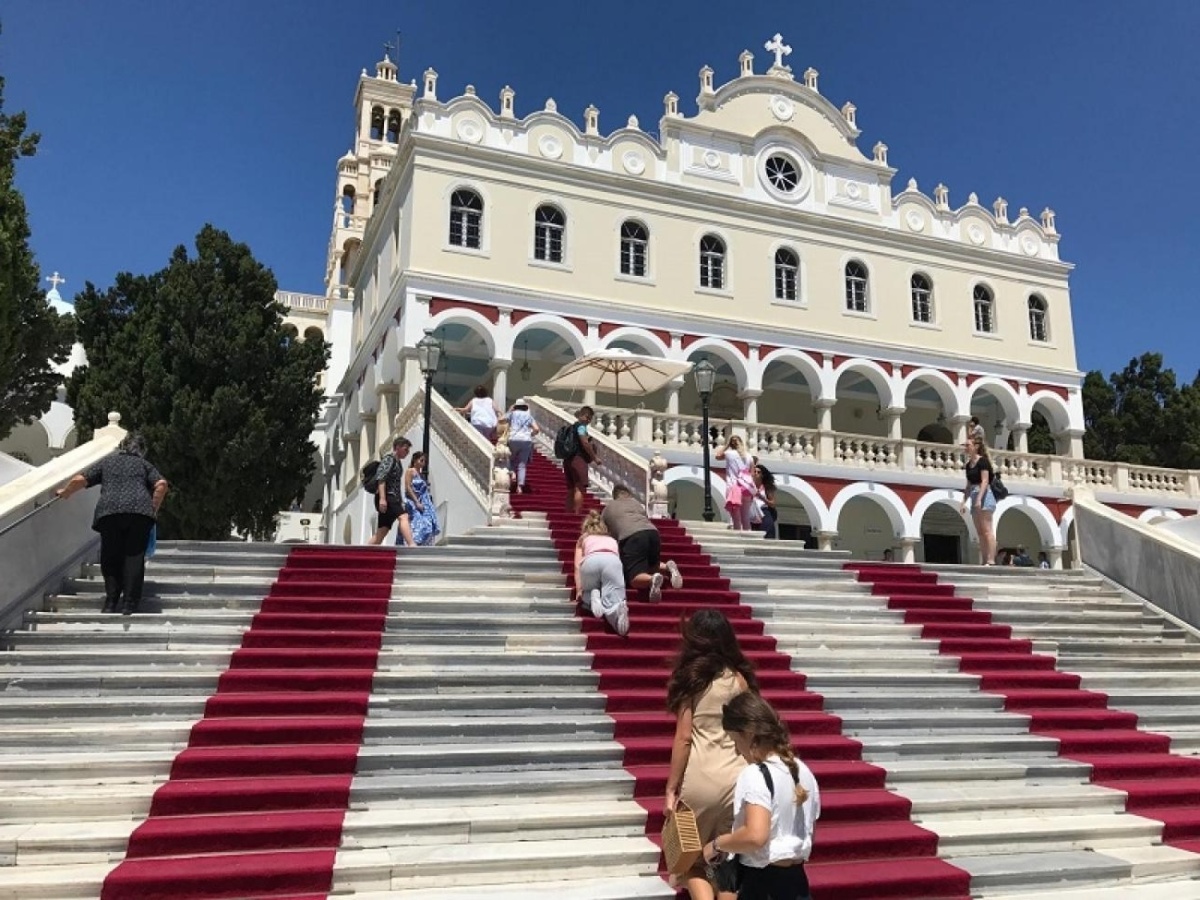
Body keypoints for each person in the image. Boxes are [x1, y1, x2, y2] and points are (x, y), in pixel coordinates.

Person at [665, 610, 758, 900]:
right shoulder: (740, 680)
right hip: (736, 779)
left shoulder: (692, 680)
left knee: (691, 861)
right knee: (725, 862)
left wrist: (670, 787)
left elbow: (683, 738)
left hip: (700, 779)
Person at [703, 692, 821, 900]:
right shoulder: (804, 771)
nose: (738, 751)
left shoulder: (756, 774)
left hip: (764, 884)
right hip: (797, 882)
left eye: (734, 741)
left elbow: (755, 836)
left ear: (747, 735)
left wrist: (717, 845)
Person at [56, 432, 168, 615]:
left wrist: (66, 492)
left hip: (109, 512)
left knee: (110, 557)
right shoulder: (144, 465)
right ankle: (129, 604)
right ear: (142, 451)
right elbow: (161, 484)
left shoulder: (107, 462)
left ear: (122, 446)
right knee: (134, 557)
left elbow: (80, 480)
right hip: (139, 513)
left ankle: (110, 602)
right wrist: (153, 508)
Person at [601, 484, 683, 602]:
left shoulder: (608, 509)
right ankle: (667, 568)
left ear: (615, 496)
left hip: (632, 536)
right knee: (651, 565)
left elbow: (603, 532)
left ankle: (651, 580)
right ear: (628, 494)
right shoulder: (637, 505)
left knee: (634, 578)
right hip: (653, 532)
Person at [572, 510, 629, 636]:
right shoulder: (611, 539)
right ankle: (616, 612)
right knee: (614, 596)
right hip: (612, 561)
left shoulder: (583, 539)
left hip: (591, 560)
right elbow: (617, 560)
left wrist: (579, 590)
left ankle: (591, 596)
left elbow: (577, 565)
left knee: (588, 591)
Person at [369, 437, 415, 546]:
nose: (407, 453)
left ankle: (364, 552)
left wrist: (400, 501)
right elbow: (381, 478)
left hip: (392, 497)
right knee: (404, 517)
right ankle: (411, 544)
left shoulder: (398, 463)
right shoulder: (389, 459)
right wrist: (382, 499)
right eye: (405, 449)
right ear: (397, 447)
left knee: (382, 531)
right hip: (388, 496)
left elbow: (396, 485)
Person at [959, 435, 997, 565]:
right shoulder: (969, 465)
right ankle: (984, 559)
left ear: (976, 447)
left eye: (968, 445)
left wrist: (979, 499)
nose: (966, 448)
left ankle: (991, 560)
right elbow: (969, 485)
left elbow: (985, 481)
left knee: (987, 530)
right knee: (980, 532)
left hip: (985, 495)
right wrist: (964, 501)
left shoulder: (983, 462)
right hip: (974, 494)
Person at [402, 450, 440, 547]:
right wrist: (416, 502)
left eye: (424, 461)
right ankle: (413, 543)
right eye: (421, 460)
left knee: (428, 525)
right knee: (418, 524)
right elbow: (408, 487)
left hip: (425, 503)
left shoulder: (421, 475)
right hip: (414, 502)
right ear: (415, 460)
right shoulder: (410, 471)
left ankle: (422, 545)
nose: (423, 463)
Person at [564, 405, 597, 514]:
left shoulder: (571, 428)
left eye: (589, 419)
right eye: (587, 417)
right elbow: (585, 443)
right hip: (578, 459)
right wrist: (595, 457)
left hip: (568, 459)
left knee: (571, 489)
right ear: (581, 415)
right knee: (579, 488)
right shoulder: (581, 427)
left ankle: (568, 513)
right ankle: (577, 513)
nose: (588, 420)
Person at [505, 398, 540, 494]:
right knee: (522, 465)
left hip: (513, 439)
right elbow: (536, 429)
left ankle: (512, 474)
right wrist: (531, 434)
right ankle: (520, 487)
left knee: (510, 459)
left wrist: (510, 410)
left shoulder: (512, 414)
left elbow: (502, 420)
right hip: (526, 440)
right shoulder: (529, 416)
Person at [721, 435, 756, 531]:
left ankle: (738, 538)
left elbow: (718, 456)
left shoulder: (729, 453)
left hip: (734, 488)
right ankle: (748, 540)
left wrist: (726, 445)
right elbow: (752, 474)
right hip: (746, 489)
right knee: (745, 518)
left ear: (731, 444)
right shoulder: (749, 456)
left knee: (736, 519)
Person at [752, 463, 778, 540]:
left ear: (762, 475)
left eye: (758, 472)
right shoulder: (749, 485)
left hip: (764, 513)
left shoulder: (767, 487)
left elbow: (773, 504)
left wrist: (761, 497)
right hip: (752, 513)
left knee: (766, 534)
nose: (756, 473)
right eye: (755, 471)